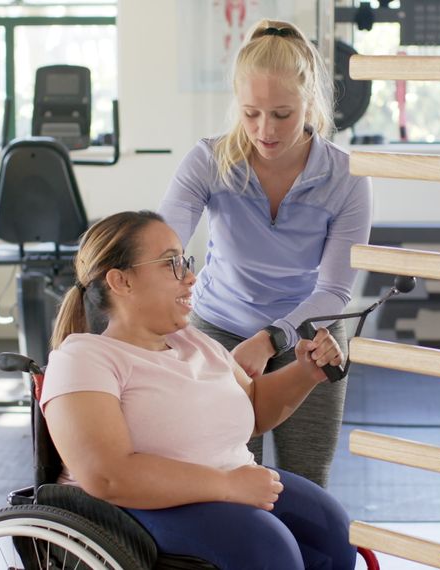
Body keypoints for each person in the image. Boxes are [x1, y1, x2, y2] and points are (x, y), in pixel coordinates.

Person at [41, 210, 357, 570]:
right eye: (171, 264)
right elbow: (108, 475)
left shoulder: (193, 342)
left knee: (332, 534)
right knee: (268, 551)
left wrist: (306, 372)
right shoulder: (85, 358)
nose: (191, 277)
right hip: (131, 507)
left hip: (231, 481)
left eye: (186, 262)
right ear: (121, 281)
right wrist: (226, 485)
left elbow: (252, 408)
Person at [159, 19, 373, 487]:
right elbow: (162, 247)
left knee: (307, 481)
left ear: (309, 103)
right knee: (230, 471)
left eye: (282, 114)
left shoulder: (347, 178)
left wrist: (272, 338)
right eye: (251, 113)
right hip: (219, 327)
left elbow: (335, 290)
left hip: (311, 333)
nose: (265, 130)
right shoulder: (209, 161)